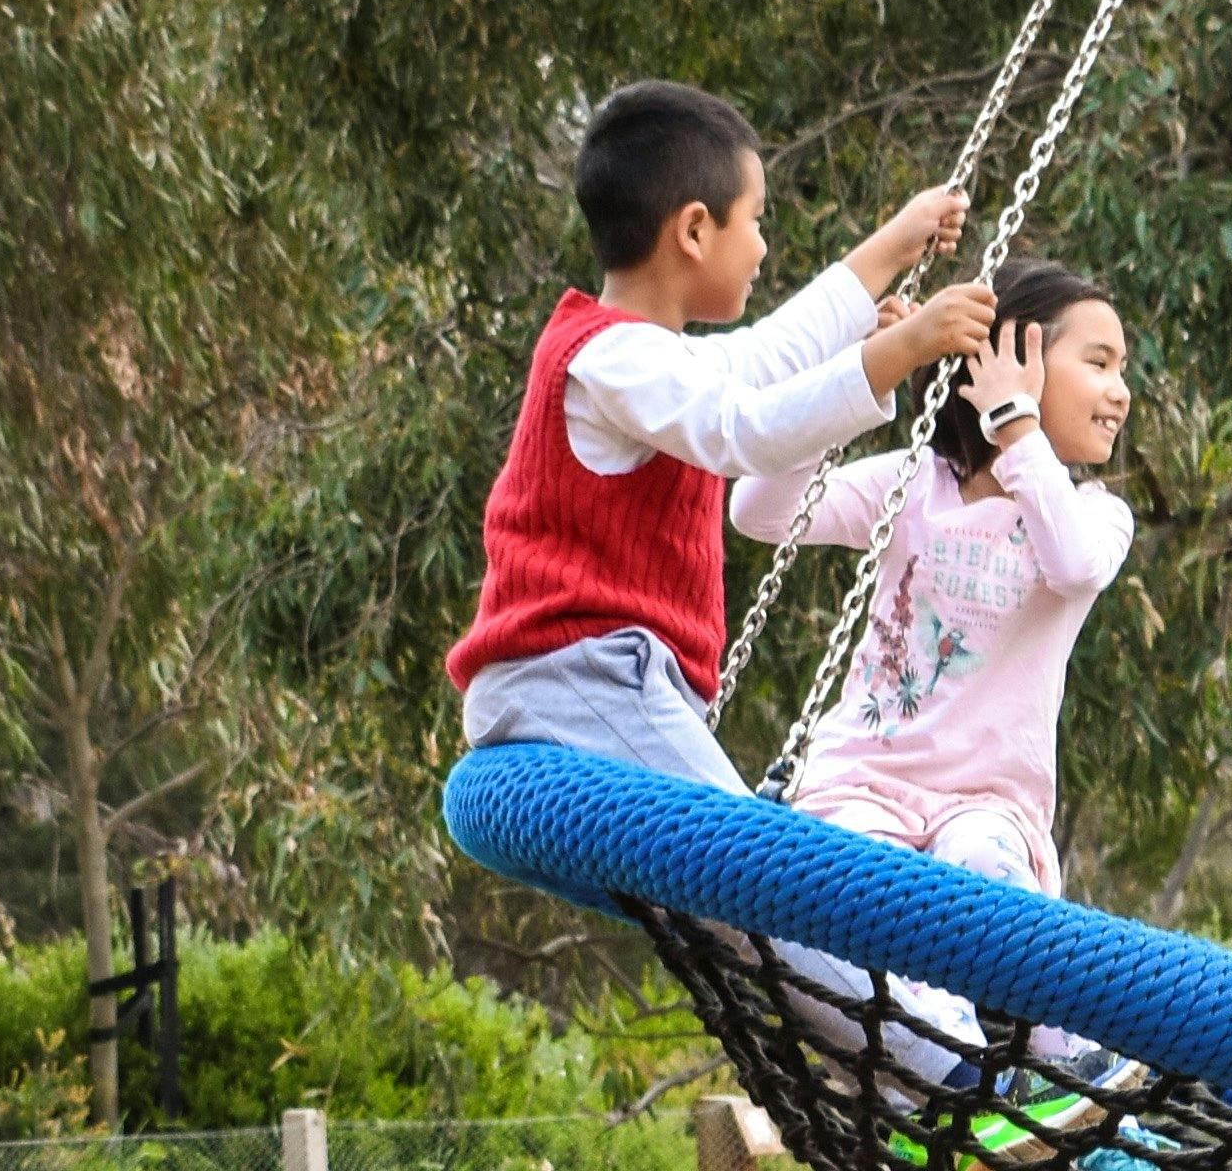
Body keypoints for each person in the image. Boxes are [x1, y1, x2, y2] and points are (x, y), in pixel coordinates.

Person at [445, 80, 995, 785]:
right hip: (571, 674)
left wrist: (892, 245)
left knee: (729, 873)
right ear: (696, 230)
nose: (764, 248)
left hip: (613, 683)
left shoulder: (654, 361)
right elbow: (750, 431)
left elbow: (770, 355)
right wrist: (904, 349)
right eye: (757, 222)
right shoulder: (611, 358)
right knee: (753, 868)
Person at [728, 260, 1141, 910]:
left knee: (989, 903)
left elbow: (1073, 566)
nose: (1121, 391)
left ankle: (983, 1016)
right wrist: (862, 373)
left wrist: (1018, 428)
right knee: (855, 889)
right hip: (858, 786)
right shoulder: (916, 482)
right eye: (1099, 363)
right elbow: (759, 511)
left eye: (1122, 370)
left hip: (987, 810)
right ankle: (913, 1011)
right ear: (1012, 354)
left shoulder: (1095, 514)